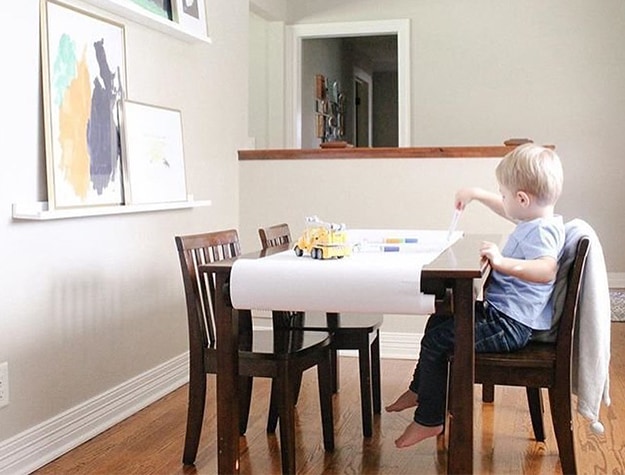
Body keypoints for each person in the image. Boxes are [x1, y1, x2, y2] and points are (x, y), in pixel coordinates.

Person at [385, 143, 566, 448]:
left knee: (439, 340)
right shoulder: (535, 219)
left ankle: (429, 420)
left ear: (522, 198)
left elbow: (546, 269)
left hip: (510, 325)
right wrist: (478, 194)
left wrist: (501, 262)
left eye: (505, 193)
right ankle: (420, 389)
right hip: (502, 315)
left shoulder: (541, 232)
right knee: (440, 316)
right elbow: (508, 208)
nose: (503, 199)